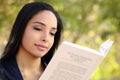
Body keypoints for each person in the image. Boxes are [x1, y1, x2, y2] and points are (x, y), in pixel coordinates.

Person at [0, 1, 63, 80]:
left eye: (52, 33)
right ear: (21, 28)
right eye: (38, 28)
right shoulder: (3, 73)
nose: (46, 38)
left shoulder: (58, 75)